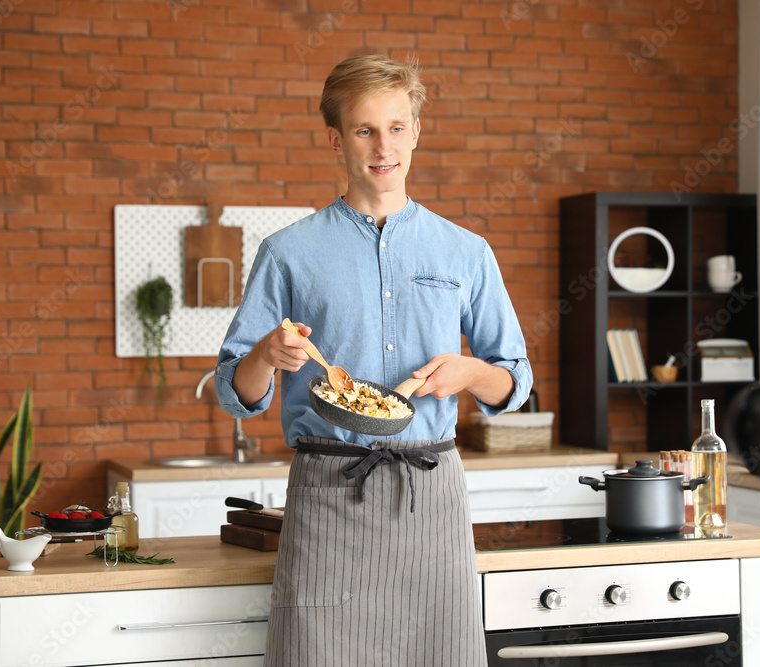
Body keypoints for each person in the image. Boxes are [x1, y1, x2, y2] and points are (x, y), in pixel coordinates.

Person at [214, 53, 532, 666]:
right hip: (329, 493)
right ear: (336, 141)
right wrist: (266, 353)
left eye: (394, 127)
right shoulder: (288, 253)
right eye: (364, 130)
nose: (381, 146)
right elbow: (235, 389)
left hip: (430, 494)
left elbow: (512, 382)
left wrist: (468, 373)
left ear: (416, 131)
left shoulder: (466, 252)